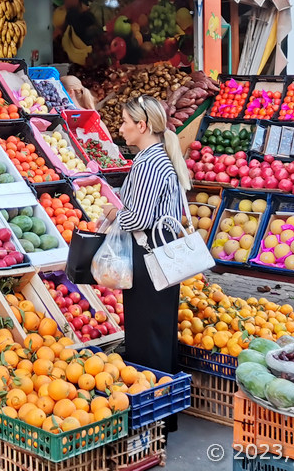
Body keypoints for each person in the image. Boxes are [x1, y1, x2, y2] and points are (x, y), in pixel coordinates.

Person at [101, 95, 190, 435]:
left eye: (124, 121)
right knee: (161, 335)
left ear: (142, 125)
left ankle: (151, 418)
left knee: (146, 338)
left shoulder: (148, 163)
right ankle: (164, 416)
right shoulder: (158, 159)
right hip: (163, 254)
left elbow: (138, 217)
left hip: (148, 255)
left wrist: (112, 214)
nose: (120, 128)